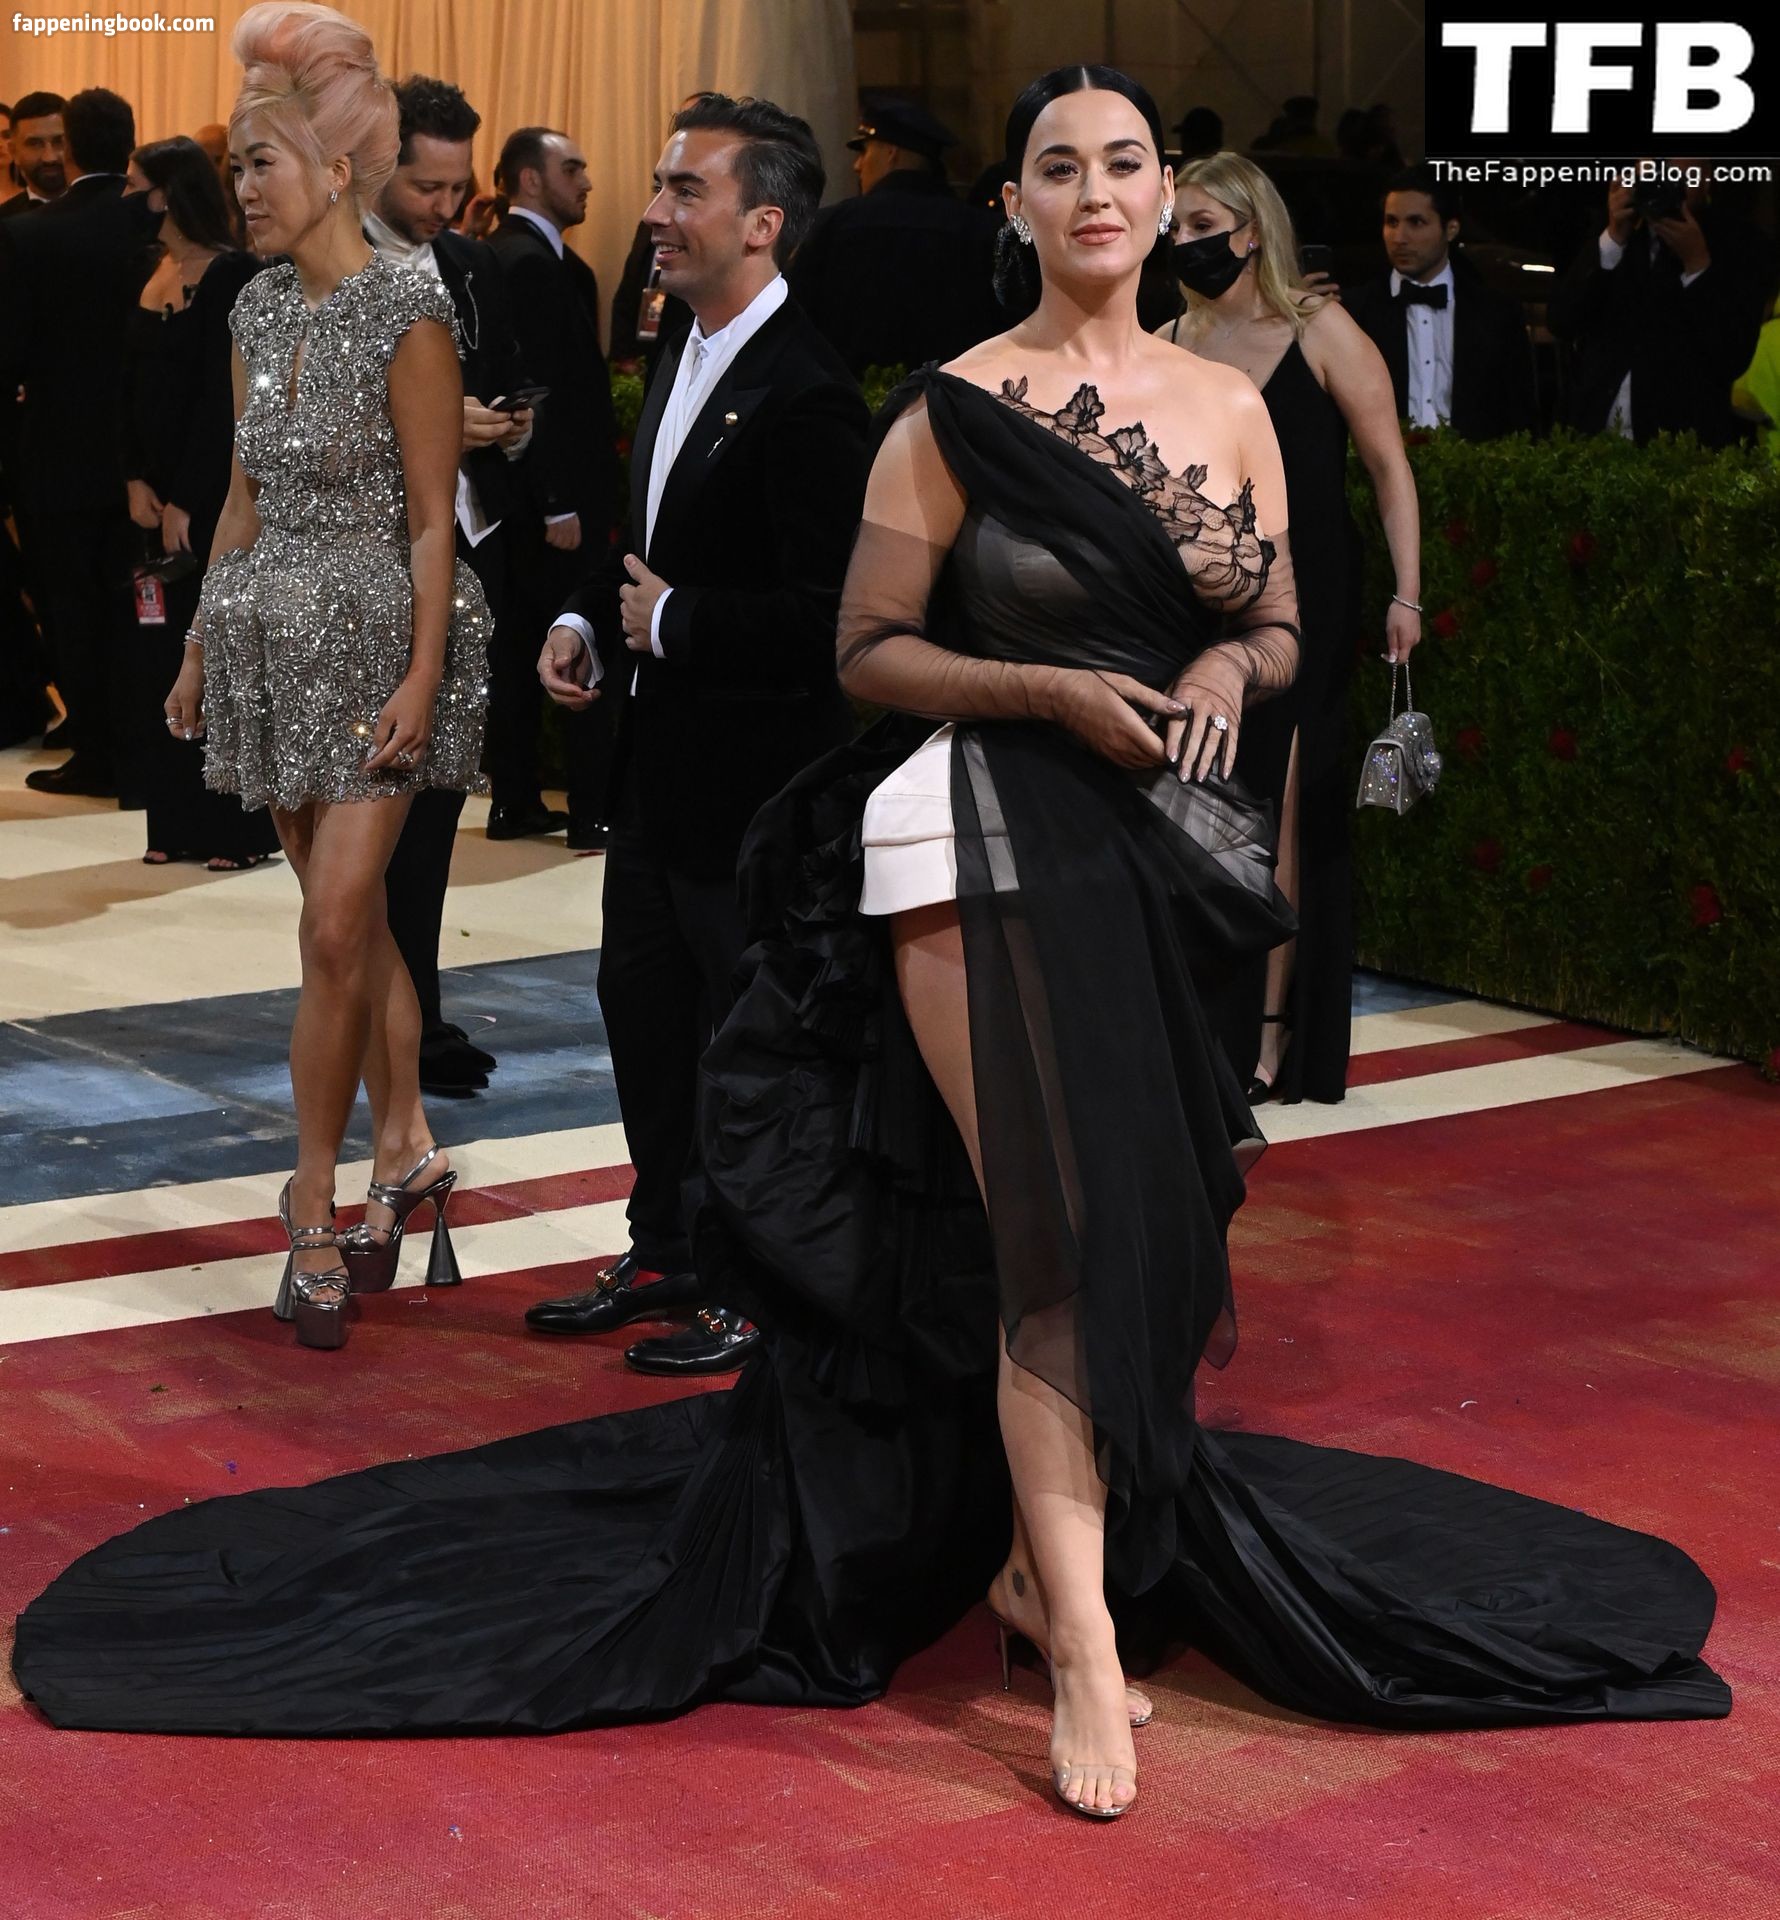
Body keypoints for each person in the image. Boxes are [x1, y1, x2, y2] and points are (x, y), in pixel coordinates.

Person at [13, 68, 1728, 1822]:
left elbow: (1284, 615)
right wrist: (1051, 688)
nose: (1097, 191)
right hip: (980, 838)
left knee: (1145, 1233)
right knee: (1059, 1229)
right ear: (1020, 206)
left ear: (1165, 194)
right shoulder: (949, 409)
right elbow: (868, 650)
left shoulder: (1235, 405)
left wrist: (1229, 661)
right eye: (1057, 165)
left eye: (1125, 162)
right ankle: (1078, 1637)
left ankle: (1036, 1562)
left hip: (1175, 866)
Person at [158, 0, 490, 1349]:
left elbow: (430, 520)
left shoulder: (410, 309)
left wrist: (421, 675)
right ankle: (405, 1149)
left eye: (262, 164)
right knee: (347, 928)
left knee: (337, 927)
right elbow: (241, 498)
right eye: (236, 166)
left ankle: (311, 1199)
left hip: (374, 644)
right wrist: (197, 645)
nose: (242, 188)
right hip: (265, 641)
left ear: (335, 168)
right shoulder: (250, 305)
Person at [523, 92, 869, 1376]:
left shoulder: (811, 392)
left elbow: (832, 622)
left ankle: (754, 1284)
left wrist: (671, 623)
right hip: (656, 785)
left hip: (756, 799)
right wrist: (589, 618)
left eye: (685, 191)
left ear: (763, 224)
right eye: (661, 186)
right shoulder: (679, 343)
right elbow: (644, 544)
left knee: (748, 1049)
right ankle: (666, 1246)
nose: (654, 212)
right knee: (649, 1025)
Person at [1160, 151, 1420, 1105]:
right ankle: (1202, 1017)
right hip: (1197, 606)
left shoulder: (1321, 329)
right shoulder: (1166, 339)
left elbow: (1389, 466)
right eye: (1177, 228)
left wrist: (1408, 594)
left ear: (1252, 230)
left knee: (1283, 807)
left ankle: (1270, 1033)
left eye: (1205, 227)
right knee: (1200, 804)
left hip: (1310, 602)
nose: (1188, 244)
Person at [365, 73, 533, 1099]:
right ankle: (389, 1026)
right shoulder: (323, 272)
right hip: (369, 568)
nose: (443, 205)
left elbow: (507, 376)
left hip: (469, 554)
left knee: (432, 814)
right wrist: (429, 429)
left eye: (456, 187)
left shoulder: (470, 263)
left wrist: (509, 426)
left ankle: (417, 1015)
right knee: (364, 824)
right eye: (425, 186)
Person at [121, 135, 279, 870]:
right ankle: (172, 822)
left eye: (136, 185)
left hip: (215, 496)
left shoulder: (233, 274)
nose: (127, 198)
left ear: (168, 193)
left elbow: (224, 400)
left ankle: (235, 831)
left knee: (220, 651)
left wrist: (186, 496)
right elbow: (123, 387)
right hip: (149, 499)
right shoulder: (145, 269)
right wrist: (134, 478)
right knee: (159, 655)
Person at [0, 87, 159, 800]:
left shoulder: (32, 235)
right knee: (142, 606)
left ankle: (93, 749)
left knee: (73, 606)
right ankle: (147, 743)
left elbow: (9, 353)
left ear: (68, 142)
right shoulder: (153, 225)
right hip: (143, 455)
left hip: (57, 453)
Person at [486, 125, 624, 848]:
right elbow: (535, 394)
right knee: (573, 640)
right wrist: (557, 501)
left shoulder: (536, 259)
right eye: (572, 168)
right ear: (530, 180)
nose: (587, 181)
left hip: (532, 497)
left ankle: (517, 801)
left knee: (519, 647)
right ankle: (590, 807)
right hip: (549, 502)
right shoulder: (527, 263)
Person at [1547, 161, 1771, 447]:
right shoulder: (1612, 228)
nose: (1665, 185)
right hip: (1593, 438)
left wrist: (1697, 266)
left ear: (1707, 180)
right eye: (1655, 173)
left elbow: (1732, 355)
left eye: (1681, 177)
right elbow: (1562, 321)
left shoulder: (1741, 242)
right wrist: (1612, 240)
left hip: (1680, 447)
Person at [789, 101, 1002, 378]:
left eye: (864, 151)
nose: (857, 165)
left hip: (846, 398)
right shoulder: (983, 231)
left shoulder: (832, 226)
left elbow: (796, 323)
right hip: (955, 397)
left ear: (891, 153)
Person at [1343, 165, 1537, 440]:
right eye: (1392, 222)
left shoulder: (1497, 314)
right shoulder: (1353, 311)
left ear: (1451, 229)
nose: (1399, 238)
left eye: (1416, 222)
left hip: (1474, 463)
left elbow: (1520, 418)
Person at [0, 91, 66, 216]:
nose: (49, 157)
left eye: (59, 142)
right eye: (35, 144)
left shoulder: (103, 211)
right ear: (14, 152)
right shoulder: (4, 220)